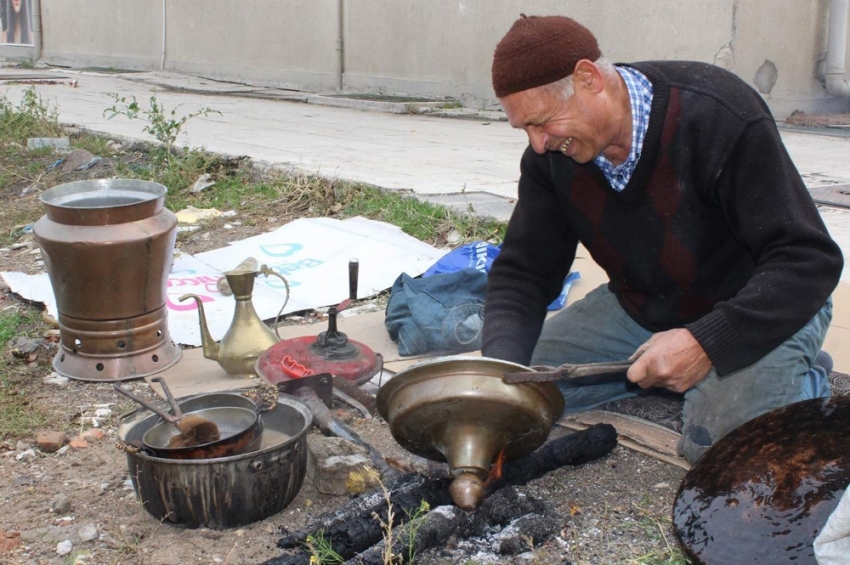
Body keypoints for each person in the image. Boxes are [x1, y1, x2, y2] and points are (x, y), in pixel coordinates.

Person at [481, 15, 844, 464]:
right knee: (521, 397)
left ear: (588, 79)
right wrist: (499, 372)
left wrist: (705, 343)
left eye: (543, 123)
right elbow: (523, 272)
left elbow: (809, 259)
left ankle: (798, 379)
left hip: (762, 305)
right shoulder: (551, 157)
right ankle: (690, 376)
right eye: (525, 130)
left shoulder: (717, 113)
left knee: (723, 448)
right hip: (645, 307)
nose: (536, 145)